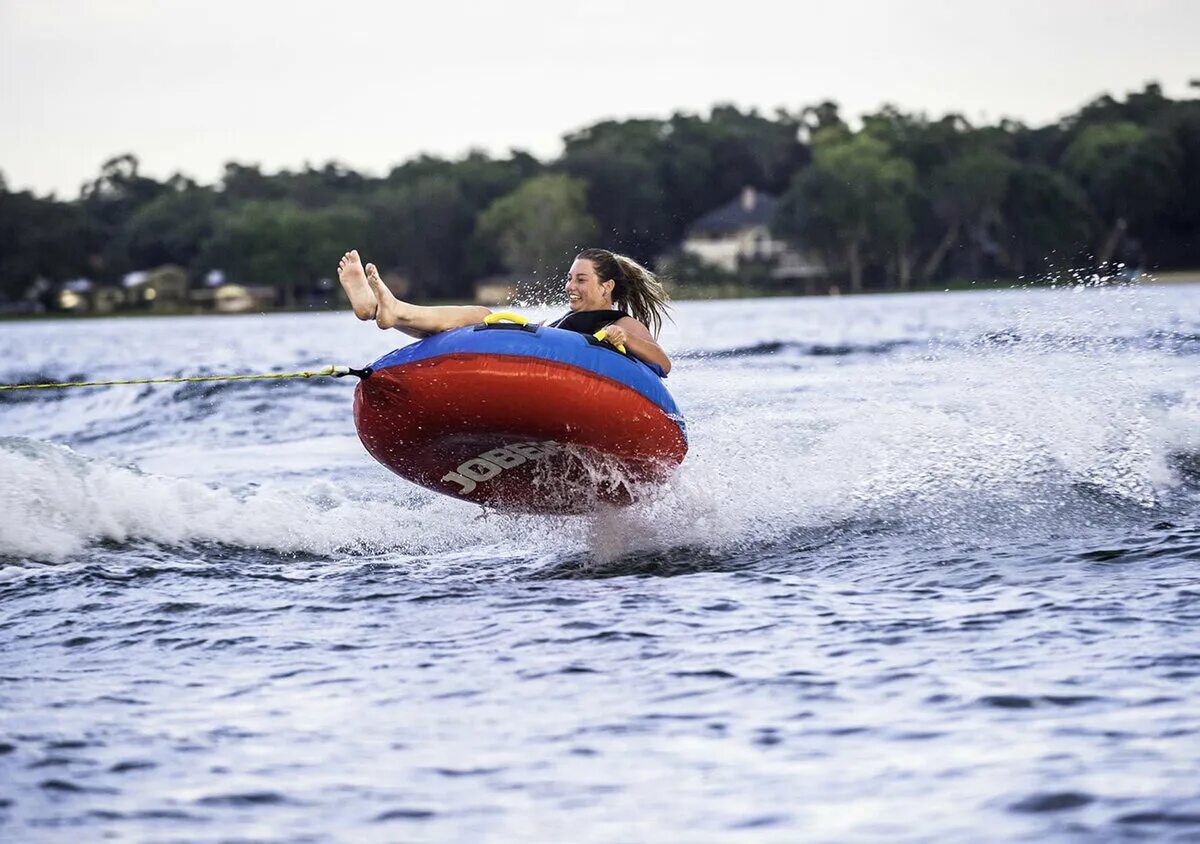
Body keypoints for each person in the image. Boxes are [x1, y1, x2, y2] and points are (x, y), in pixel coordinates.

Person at [337, 248, 673, 374]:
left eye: (581, 279)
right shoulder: (561, 324)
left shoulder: (620, 321)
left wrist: (624, 338)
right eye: (569, 278)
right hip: (542, 368)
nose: (570, 286)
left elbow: (661, 361)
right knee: (474, 323)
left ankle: (393, 311)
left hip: (589, 377)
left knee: (483, 314)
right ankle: (386, 312)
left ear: (606, 287)